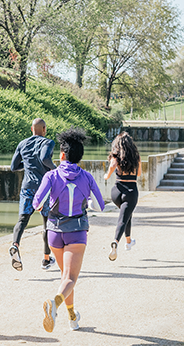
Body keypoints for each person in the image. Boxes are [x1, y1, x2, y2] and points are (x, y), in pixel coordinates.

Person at [35, 128, 105, 333]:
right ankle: (54, 304)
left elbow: (37, 204)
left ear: (63, 155)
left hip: (54, 232)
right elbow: (100, 206)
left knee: (66, 277)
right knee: (70, 278)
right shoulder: (87, 177)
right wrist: (88, 201)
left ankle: (73, 317)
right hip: (77, 231)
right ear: (80, 157)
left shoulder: (51, 175)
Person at [9, 118, 57, 271]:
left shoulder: (22, 144)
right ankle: (46, 259)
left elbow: (13, 166)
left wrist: (29, 164)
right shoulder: (48, 142)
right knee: (47, 222)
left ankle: (15, 245)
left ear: (31, 129)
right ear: (44, 129)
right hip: (44, 188)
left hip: (27, 187)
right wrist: (56, 169)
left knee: (22, 219)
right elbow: (44, 158)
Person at [105, 132, 141, 262]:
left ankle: (128, 241)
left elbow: (109, 172)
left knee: (126, 214)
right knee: (123, 218)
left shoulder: (115, 158)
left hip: (116, 192)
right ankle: (115, 241)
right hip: (130, 191)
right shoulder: (136, 158)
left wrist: (106, 175)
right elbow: (139, 173)